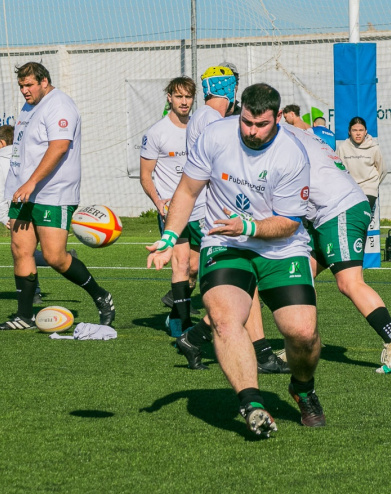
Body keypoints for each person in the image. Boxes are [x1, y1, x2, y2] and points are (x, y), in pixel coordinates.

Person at [148, 83, 323, 436]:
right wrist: (170, 236)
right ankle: (252, 404)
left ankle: (302, 389)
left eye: (261, 125)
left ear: (276, 119)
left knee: (302, 333)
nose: (252, 132)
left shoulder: (292, 153)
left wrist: (249, 225)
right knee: (226, 320)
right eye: (246, 122)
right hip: (224, 240)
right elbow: (187, 190)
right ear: (239, 111)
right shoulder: (215, 136)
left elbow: (289, 222)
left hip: (279, 245)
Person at [173, 67, 288, 374]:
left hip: (212, 209)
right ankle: (259, 352)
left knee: (240, 285)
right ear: (230, 89)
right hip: (216, 212)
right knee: (244, 281)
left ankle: (194, 336)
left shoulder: (201, 117)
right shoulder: (215, 122)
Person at [0, 62, 115, 330]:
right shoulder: (28, 107)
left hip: (52, 192)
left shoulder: (60, 105)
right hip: (23, 194)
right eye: (21, 86)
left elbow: (59, 148)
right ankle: (24, 316)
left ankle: (101, 296)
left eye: (29, 85)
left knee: (54, 257)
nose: (25, 91)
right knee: (20, 250)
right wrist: (16, 186)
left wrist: (32, 182)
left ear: (44, 81)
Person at [284, 123, 391, 373]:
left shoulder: (290, 140)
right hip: (333, 215)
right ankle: (297, 344)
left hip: (337, 214)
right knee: (297, 274)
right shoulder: (315, 143)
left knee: (349, 282)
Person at [139, 76, 198, 336]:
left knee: (195, 268)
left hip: (202, 208)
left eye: (188, 97)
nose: (184, 101)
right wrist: (158, 201)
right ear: (169, 98)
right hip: (172, 211)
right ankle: (182, 327)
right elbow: (145, 175)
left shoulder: (200, 128)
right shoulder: (156, 133)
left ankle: (175, 310)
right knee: (181, 264)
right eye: (179, 96)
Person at [0, 125, 63, 305]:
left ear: (1, 142)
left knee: (23, 252)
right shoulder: (27, 155)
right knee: (28, 250)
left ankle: (36, 290)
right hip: (37, 205)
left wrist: (3, 216)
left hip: (16, 211)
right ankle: (63, 260)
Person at [336, 116, 386, 213]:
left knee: (361, 216)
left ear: (365, 131)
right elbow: (337, 169)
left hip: (369, 188)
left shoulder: (374, 147)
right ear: (349, 132)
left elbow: (382, 169)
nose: (358, 133)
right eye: (354, 130)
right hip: (350, 189)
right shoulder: (342, 147)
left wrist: (373, 185)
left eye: (361, 130)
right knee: (352, 218)